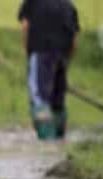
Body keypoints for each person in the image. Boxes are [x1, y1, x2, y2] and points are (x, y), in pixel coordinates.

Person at [19, 0, 81, 140]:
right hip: (63, 53)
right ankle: (59, 137)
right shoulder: (68, 5)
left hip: (41, 50)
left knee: (40, 97)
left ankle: (48, 141)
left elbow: (25, 26)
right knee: (58, 98)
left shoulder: (33, 3)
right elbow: (75, 37)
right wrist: (67, 60)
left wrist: (28, 51)